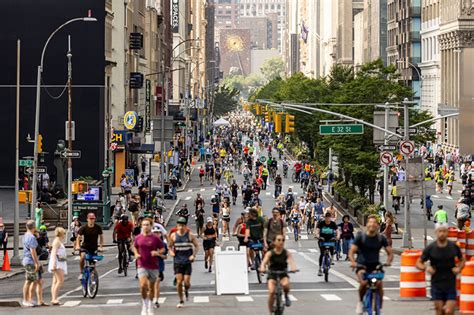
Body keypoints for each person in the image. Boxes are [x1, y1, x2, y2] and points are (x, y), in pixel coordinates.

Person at [416, 223, 465, 315]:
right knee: (439, 311)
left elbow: (462, 259)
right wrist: (426, 267)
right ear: (436, 232)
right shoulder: (431, 248)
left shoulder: (453, 247)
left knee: (449, 311)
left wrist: (459, 268)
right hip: (436, 283)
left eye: (444, 231)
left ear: (447, 232)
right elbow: (418, 263)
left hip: (450, 283)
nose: (442, 233)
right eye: (440, 231)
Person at [349, 215, 393, 314]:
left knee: (379, 284)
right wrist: (353, 262)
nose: (372, 224)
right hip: (361, 266)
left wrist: (388, 262)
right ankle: (360, 302)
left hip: (375, 266)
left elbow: (389, 252)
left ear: (377, 225)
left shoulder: (381, 238)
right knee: (363, 283)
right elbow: (351, 252)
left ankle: (378, 308)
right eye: (370, 222)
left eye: (374, 223)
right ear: (367, 224)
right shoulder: (361, 237)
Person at [133, 218, 165, 315]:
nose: (145, 226)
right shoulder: (138, 237)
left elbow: (163, 248)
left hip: (153, 266)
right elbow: (134, 246)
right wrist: (136, 254)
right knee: (143, 286)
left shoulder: (155, 238)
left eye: (147, 225)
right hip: (142, 264)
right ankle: (144, 305)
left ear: (151, 226)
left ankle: (150, 305)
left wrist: (157, 252)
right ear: (141, 226)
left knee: (151, 288)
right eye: (144, 225)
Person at [259, 234, 298, 313]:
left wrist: (293, 268)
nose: (281, 242)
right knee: (271, 292)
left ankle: (286, 295)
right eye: (279, 240)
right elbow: (264, 262)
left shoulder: (286, 252)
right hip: (272, 274)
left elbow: (291, 261)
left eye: (283, 240)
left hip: (283, 273)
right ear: (274, 242)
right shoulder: (270, 253)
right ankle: (270, 311)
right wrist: (262, 267)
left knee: (286, 285)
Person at [168, 217, 200, 308]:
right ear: (177, 226)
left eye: (182, 225)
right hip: (177, 261)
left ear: (185, 226)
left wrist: (193, 255)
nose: (181, 227)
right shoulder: (173, 236)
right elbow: (169, 246)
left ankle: (186, 289)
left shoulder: (190, 235)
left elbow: (197, 246)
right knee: (179, 282)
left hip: (187, 261)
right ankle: (181, 300)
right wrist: (171, 252)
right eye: (179, 225)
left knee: (186, 282)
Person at [75, 213, 104, 279]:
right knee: (82, 257)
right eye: (90, 219)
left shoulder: (98, 227)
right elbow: (78, 237)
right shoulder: (84, 228)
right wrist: (77, 245)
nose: (91, 220)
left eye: (93, 219)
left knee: (93, 264)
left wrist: (101, 246)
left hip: (93, 247)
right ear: (87, 219)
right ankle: (81, 273)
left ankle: (92, 276)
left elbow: (101, 236)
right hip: (85, 247)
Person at [22, 220, 42, 307]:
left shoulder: (26, 235)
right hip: (30, 260)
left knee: (33, 280)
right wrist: (37, 263)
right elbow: (33, 251)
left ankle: (29, 299)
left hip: (27, 259)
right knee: (29, 281)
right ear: (34, 227)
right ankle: (26, 300)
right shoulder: (31, 237)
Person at [48, 227, 67, 305]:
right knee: (60, 280)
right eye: (64, 234)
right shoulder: (57, 242)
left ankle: (54, 298)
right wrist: (54, 263)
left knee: (55, 281)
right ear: (61, 234)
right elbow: (54, 253)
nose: (64, 235)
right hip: (58, 263)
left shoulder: (58, 241)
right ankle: (54, 298)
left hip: (59, 262)